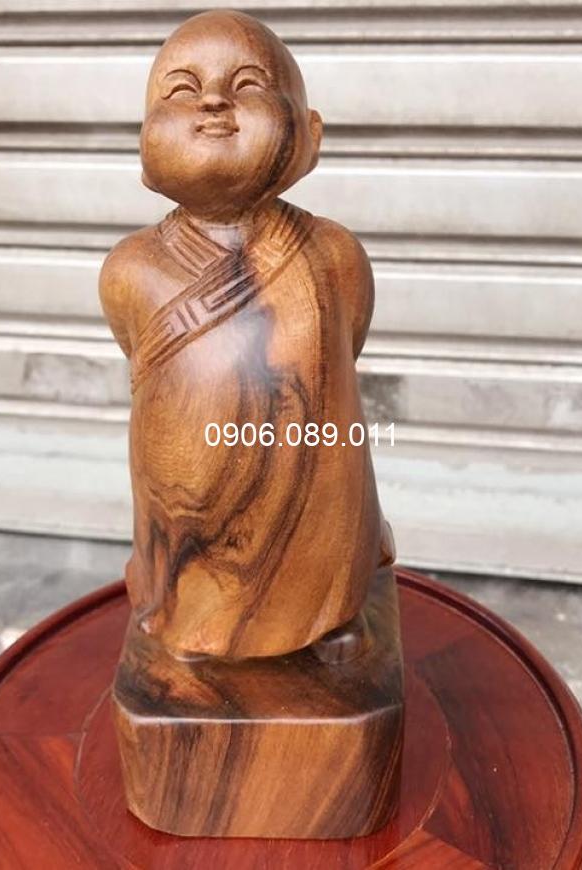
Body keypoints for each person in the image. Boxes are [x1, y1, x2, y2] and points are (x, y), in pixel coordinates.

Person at [99, 9, 394, 660]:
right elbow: (136, 349)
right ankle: (185, 611)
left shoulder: (334, 255)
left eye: (249, 85)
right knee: (185, 538)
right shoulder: (131, 270)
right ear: (144, 142)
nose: (212, 102)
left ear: (309, 134)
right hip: (187, 501)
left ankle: (329, 609)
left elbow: (345, 346)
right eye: (182, 90)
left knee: (324, 517)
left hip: (313, 478)